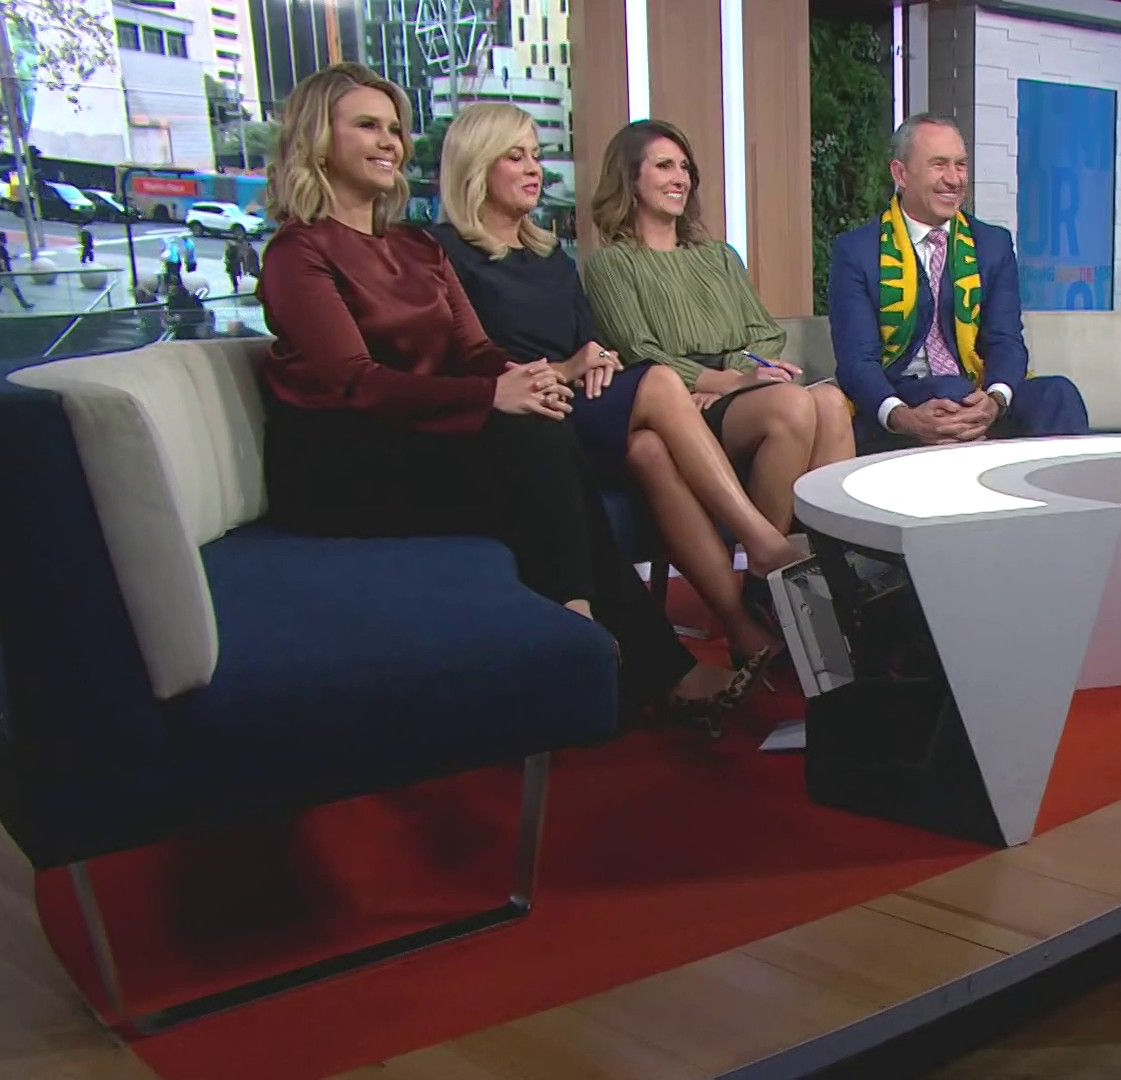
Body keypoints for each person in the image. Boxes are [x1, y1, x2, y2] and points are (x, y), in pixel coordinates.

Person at [255, 63, 747, 723]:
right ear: (319, 141)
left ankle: (596, 638)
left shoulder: (416, 248)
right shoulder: (298, 252)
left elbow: (475, 351)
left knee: (541, 421)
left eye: (395, 129)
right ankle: (611, 648)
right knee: (532, 440)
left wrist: (529, 380)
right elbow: (354, 382)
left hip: (425, 437)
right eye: (367, 126)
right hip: (341, 458)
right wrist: (490, 397)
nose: (389, 142)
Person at [430, 103, 797, 678]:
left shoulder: (550, 256)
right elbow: (468, 359)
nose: (534, 169)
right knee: (657, 386)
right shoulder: (444, 253)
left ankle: (742, 628)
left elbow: (594, 342)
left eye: (536, 156)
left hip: (584, 398)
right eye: (515, 156)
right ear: (476, 166)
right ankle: (763, 547)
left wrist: (597, 358)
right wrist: (570, 367)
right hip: (525, 416)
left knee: (650, 447)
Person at [581, 119, 854, 534]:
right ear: (630, 178)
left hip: (733, 389)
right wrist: (713, 382)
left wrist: (735, 377)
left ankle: (830, 557)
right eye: (664, 166)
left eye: (685, 167)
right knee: (792, 406)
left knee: (831, 403)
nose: (680, 179)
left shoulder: (720, 256)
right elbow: (639, 351)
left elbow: (763, 332)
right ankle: (769, 563)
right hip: (678, 405)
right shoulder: (610, 265)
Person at [828, 113, 1089, 452]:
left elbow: (1006, 340)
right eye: (939, 165)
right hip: (902, 402)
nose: (954, 179)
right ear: (901, 174)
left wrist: (994, 401)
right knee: (949, 391)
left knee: (1058, 395)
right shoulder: (857, 251)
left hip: (975, 394)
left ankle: (1054, 491)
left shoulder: (992, 244)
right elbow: (857, 362)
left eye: (961, 165)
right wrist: (903, 417)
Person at [0, 232, 33, 312]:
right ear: (2, 238)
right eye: (5, 238)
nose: (6, 239)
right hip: (4, 273)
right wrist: (6, 271)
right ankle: (24, 304)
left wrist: (12, 258)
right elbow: (1, 261)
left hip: (1, 272)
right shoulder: (0, 249)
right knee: (15, 289)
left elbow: (4, 259)